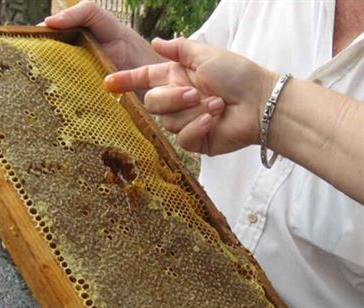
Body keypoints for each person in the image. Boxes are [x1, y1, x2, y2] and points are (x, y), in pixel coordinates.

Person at [43, 0, 364, 306]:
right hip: (173, 277)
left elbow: (249, 94)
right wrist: (130, 56)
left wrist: (269, 103)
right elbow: (199, 82)